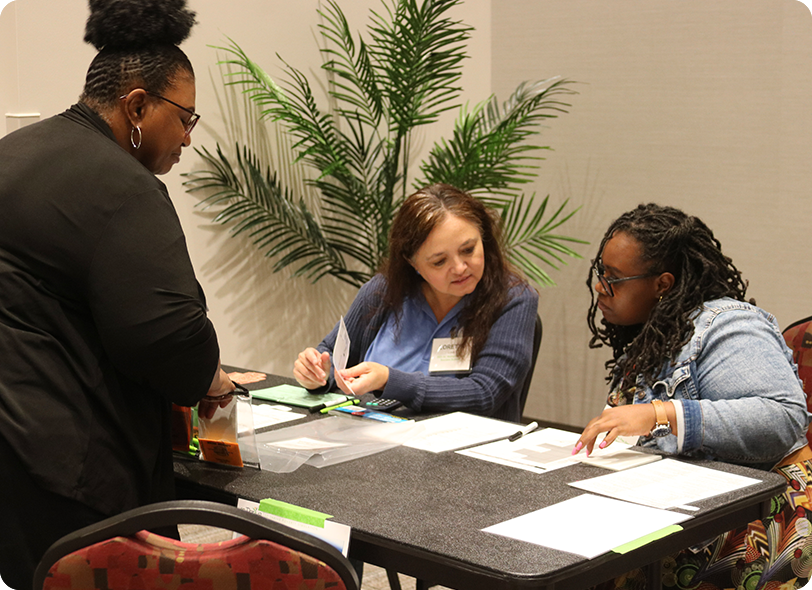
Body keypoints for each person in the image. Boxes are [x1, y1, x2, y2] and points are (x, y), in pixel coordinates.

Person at [0, 1, 234, 586]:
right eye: (185, 119)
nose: (187, 138)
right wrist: (212, 378)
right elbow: (171, 339)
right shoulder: (124, 187)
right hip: (65, 472)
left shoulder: (13, 153)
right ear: (136, 105)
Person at [574, 203, 812, 589]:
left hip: (759, 530)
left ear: (662, 285)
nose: (600, 287)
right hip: (684, 515)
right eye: (600, 271)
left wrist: (662, 413)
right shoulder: (652, 334)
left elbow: (782, 417)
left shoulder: (727, 323)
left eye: (614, 278)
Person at [293, 183, 539, 422]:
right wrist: (317, 372)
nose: (460, 268)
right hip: (367, 434)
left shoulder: (514, 299)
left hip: (461, 451)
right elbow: (334, 356)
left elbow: (484, 393)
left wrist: (390, 381)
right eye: (439, 261)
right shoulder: (382, 291)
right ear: (413, 264)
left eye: (468, 250)